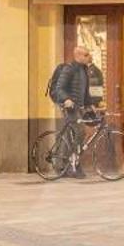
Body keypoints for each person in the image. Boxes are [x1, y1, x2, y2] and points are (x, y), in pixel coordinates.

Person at [46, 45, 101, 178]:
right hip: (69, 107)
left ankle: (65, 165)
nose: (90, 57)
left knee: (73, 137)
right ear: (79, 56)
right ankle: (72, 164)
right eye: (87, 55)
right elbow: (60, 87)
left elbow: (85, 92)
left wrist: (90, 104)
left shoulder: (84, 70)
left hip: (79, 107)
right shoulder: (69, 69)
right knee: (80, 132)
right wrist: (66, 99)